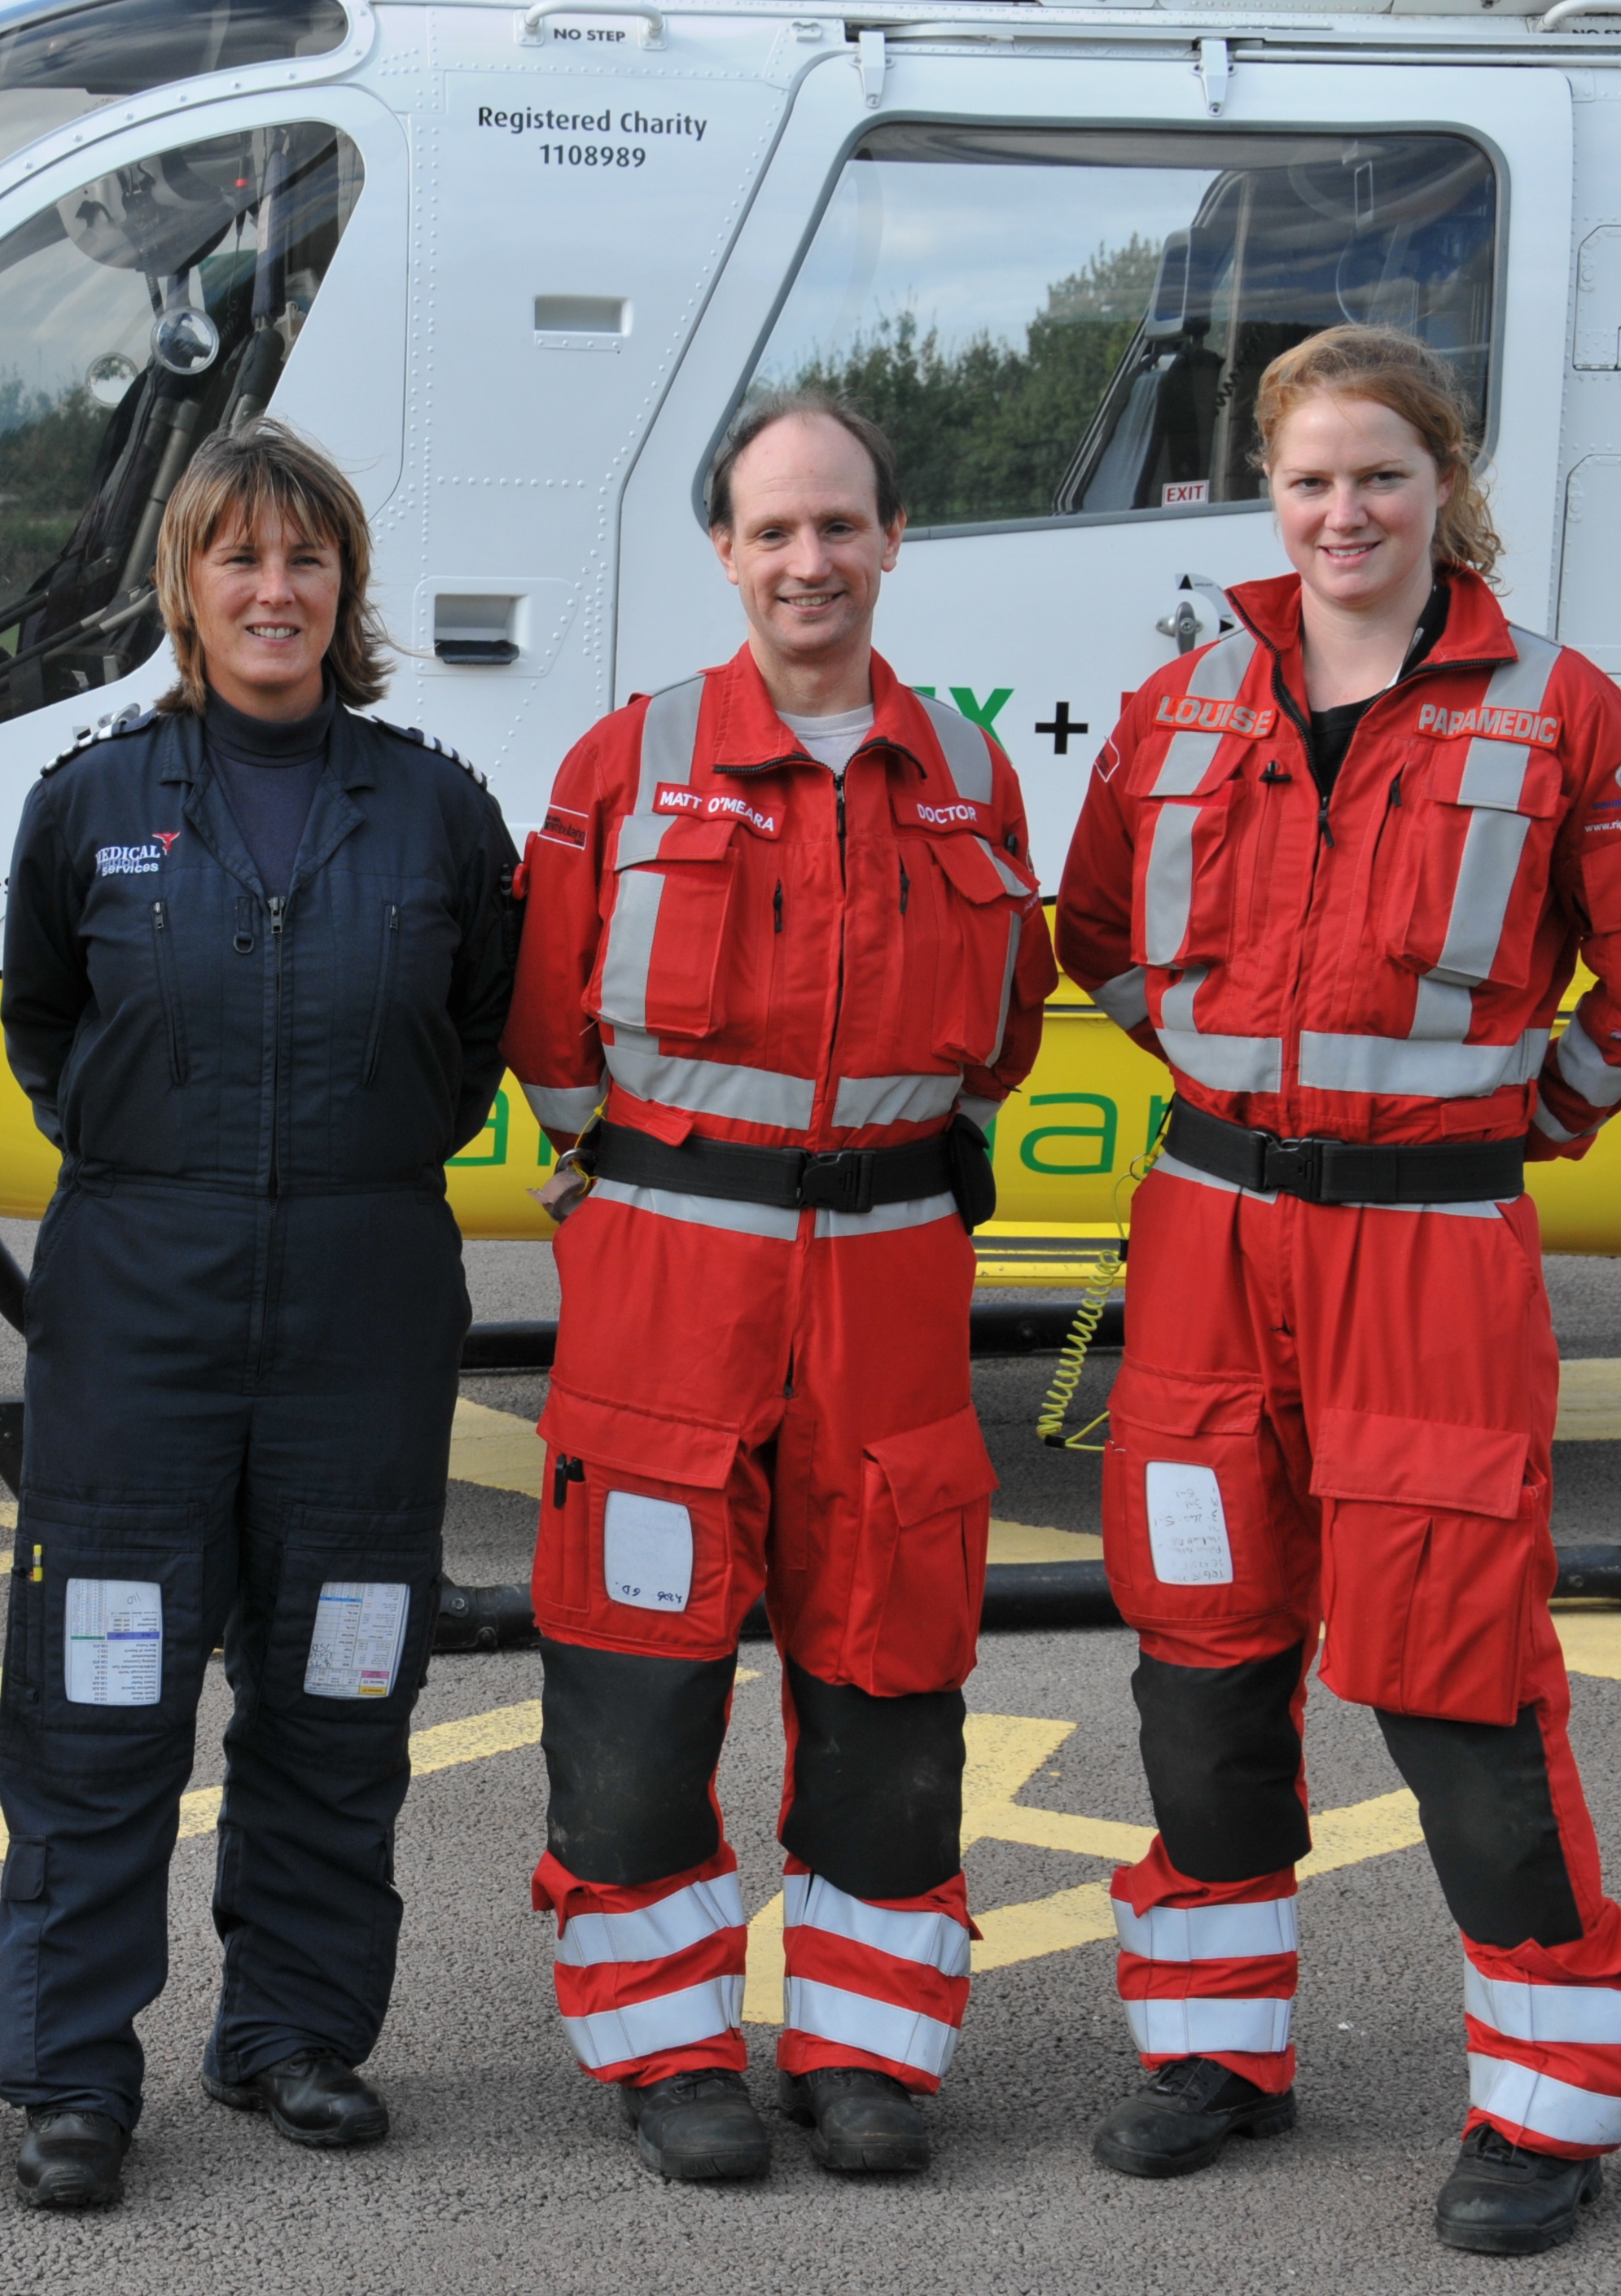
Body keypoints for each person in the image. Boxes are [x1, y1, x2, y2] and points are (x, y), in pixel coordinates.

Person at [1054, 323, 1621, 2257]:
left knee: (1454, 1683)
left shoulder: (1556, 713)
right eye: (1305, 480)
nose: (1339, 512)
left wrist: (1527, 1116)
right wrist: (1203, 1077)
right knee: (1200, 1660)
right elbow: (1094, 933)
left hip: (1425, 1258)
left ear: (1443, 485)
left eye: (1377, 475)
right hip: (1201, 1247)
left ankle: (1543, 2105)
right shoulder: (1181, 708)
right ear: (1266, 497)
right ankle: (1215, 2053)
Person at [498, 392, 1057, 2182]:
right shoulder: (621, 760)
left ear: (891, 542)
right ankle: (667, 2055)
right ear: (723, 553)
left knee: (890, 1675)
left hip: (888, 1284)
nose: (805, 559)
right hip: (672, 1282)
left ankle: (867, 2056)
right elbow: (547, 1031)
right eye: (770, 530)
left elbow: (1002, 1040)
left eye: (837, 525)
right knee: (638, 1684)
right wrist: (649, 1189)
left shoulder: (971, 776)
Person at [0, 421, 519, 2211]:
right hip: (141, 1292)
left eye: (304, 559)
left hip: (365, 1297)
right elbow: (46, 1035)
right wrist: (180, 1175)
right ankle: (70, 2072)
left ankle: (290, 2033)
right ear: (184, 586)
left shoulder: (432, 805)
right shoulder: (89, 801)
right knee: (100, 1692)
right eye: (238, 558)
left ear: (343, 586)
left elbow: (474, 1041)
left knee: (340, 1677)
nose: (272, 590)